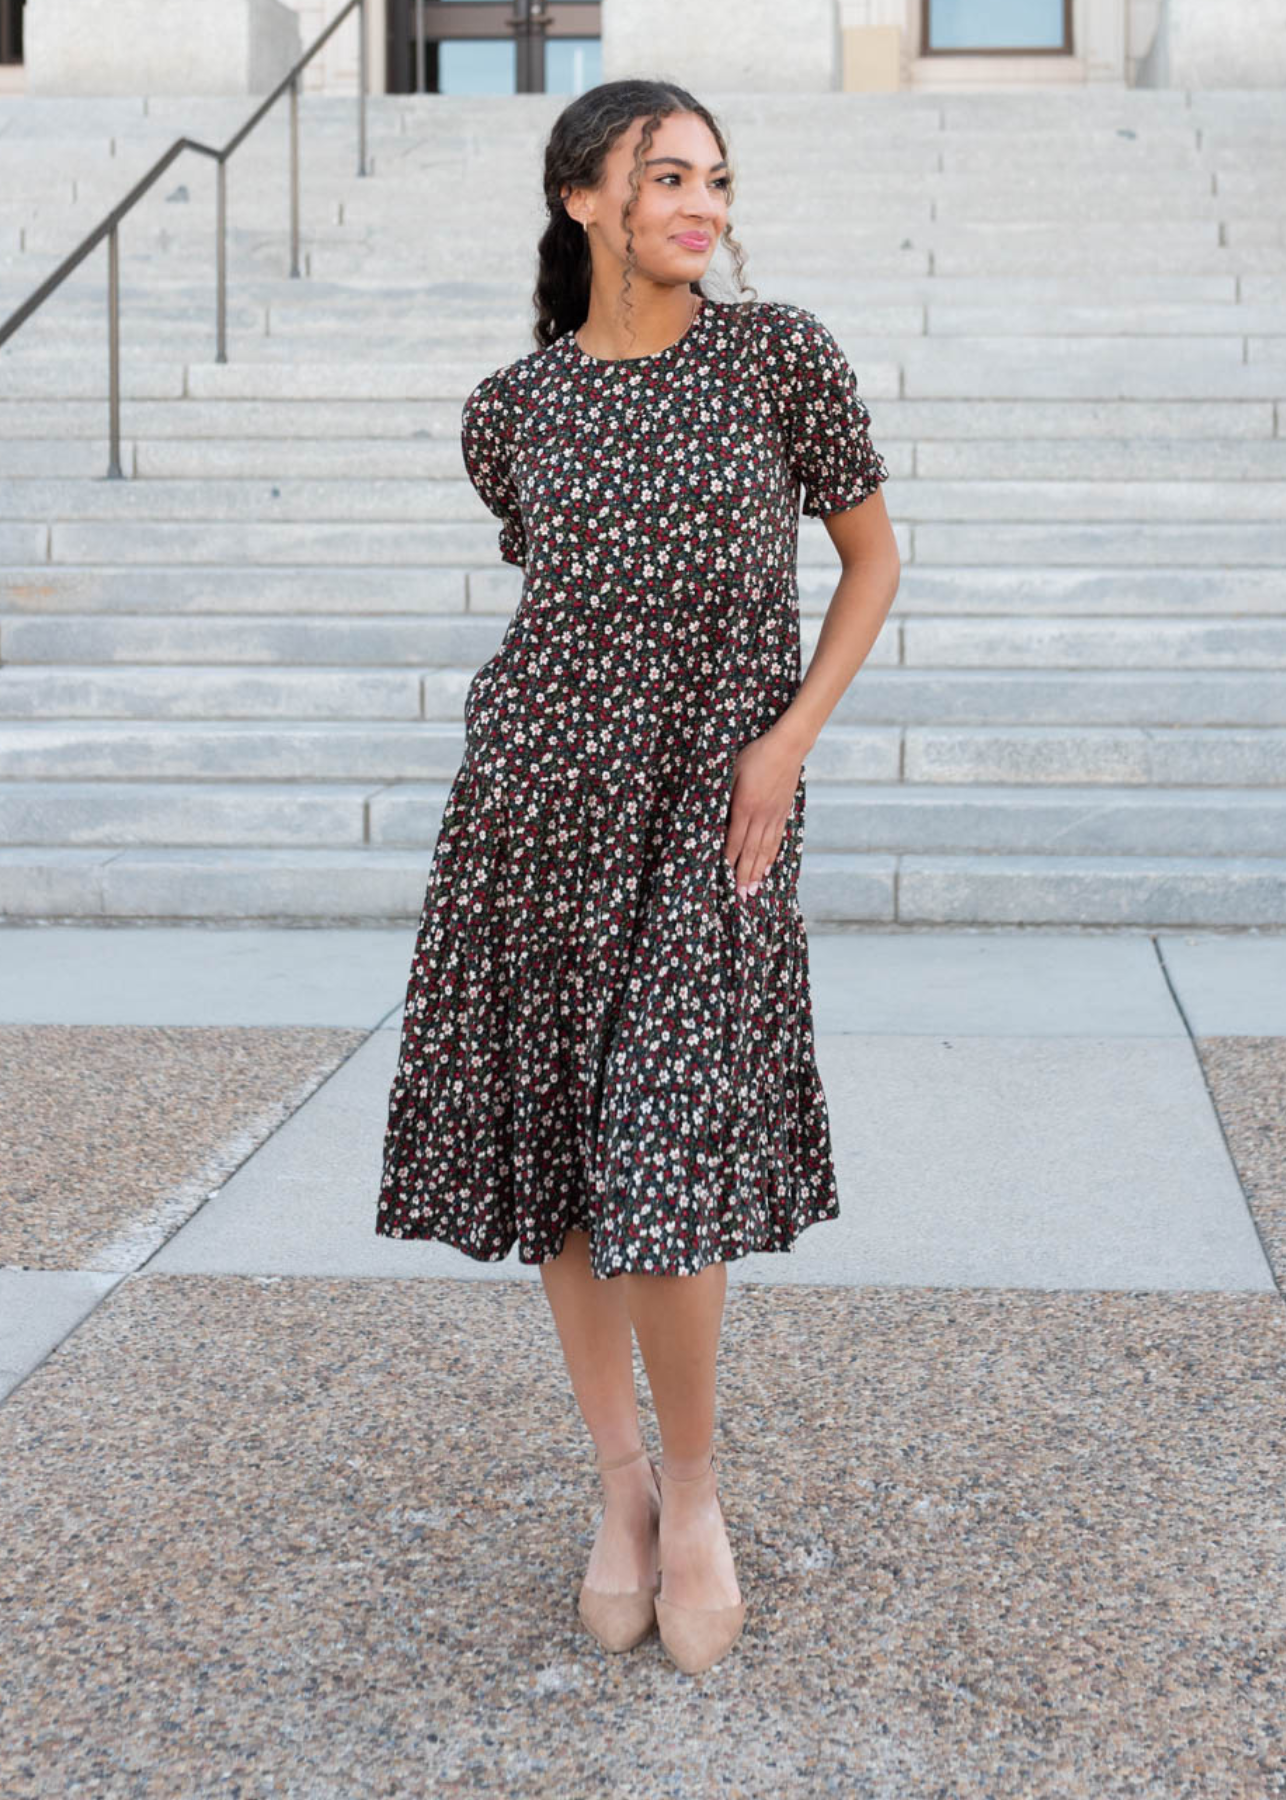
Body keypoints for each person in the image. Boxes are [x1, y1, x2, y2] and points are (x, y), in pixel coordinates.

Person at [375, 76, 900, 1675]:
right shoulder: (510, 410)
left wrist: (786, 740)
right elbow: (565, 618)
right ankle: (619, 1496)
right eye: (666, 178)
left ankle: (699, 1492)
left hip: (715, 812)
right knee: (564, 1148)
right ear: (582, 201)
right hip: (535, 809)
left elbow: (872, 559)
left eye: (717, 181)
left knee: (666, 1147)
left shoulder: (774, 355)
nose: (701, 206)